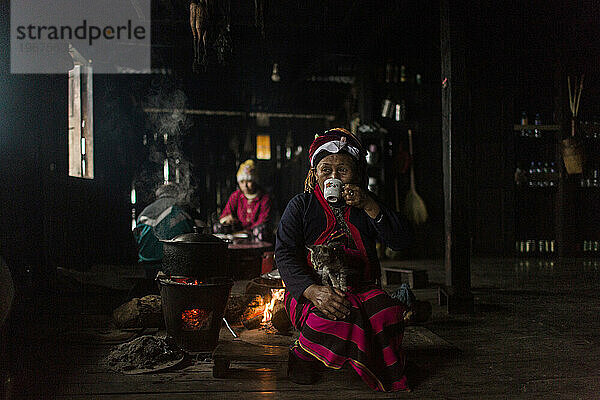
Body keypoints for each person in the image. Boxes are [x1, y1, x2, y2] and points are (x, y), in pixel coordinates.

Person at [275, 128, 414, 391]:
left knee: (388, 312)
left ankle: (345, 354)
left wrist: (370, 205)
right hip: (312, 288)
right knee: (334, 315)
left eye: (343, 171)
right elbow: (284, 253)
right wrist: (313, 291)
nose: (334, 177)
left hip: (360, 287)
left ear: (358, 174)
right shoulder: (300, 205)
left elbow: (401, 242)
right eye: (326, 170)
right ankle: (302, 354)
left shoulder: (366, 204)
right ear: (314, 174)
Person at [133, 183, 195, 279]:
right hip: (171, 262)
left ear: (159, 195)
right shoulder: (180, 211)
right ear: (177, 194)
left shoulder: (145, 212)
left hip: (146, 262)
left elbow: (137, 237)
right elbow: (191, 237)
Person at [219, 159, 272, 237]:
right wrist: (228, 219)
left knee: (261, 231)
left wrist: (249, 231)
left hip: (255, 234)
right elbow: (226, 214)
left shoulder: (264, 198)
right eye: (242, 182)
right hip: (236, 233)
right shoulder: (236, 196)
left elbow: (264, 220)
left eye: (249, 181)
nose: (245, 185)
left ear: (255, 181)